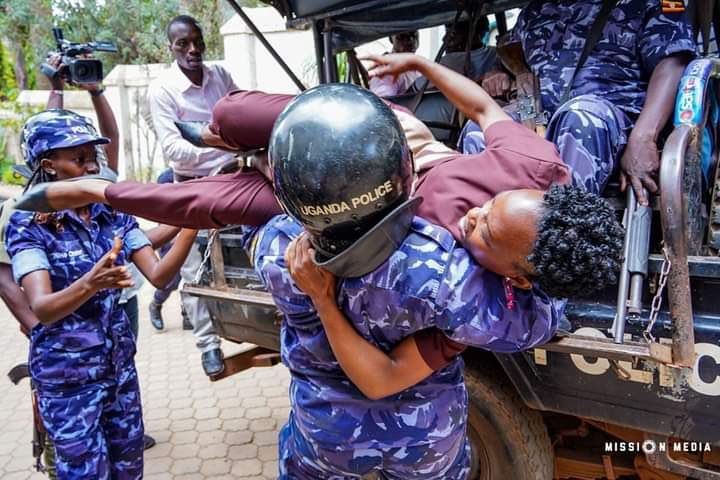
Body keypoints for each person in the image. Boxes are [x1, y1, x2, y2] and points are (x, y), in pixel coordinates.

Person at [17, 59, 623, 478]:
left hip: (374, 202)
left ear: (515, 276)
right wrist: (416, 64)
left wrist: (107, 195)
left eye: (487, 233)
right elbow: (483, 105)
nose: (474, 220)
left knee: (226, 198)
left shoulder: (459, 286)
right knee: (239, 118)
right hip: (400, 152)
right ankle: (218, 138)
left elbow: (506, 323)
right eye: (489, 208)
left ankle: (103, 191)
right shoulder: (531, 167)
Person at [5, 108, 197, 479]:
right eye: (79, 159)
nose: (92, 167)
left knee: (129, 470)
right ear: (49, 166)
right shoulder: (27, 225)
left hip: (118, 372)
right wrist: (90, 284)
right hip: (68, 382)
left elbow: (157, 274)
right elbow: (43, 308)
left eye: (93, 157)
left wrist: (191, 225)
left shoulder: (112, 211)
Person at [462, 0, 696, 202]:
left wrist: (644, 137)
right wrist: (498, 72)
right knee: (482, 127)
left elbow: (673, 63)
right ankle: (486, 234)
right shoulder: (535, 10)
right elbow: (510, 52)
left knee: (577, 116)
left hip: (610, 115)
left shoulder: (651, 2)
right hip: (536, 115)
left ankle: (562, 239)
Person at [148, 14, 238, 375]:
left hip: (234, 176)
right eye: (183, 43)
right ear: (170, 47)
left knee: (244, 250)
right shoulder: (162, 89)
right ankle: (208, 345)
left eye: (197, 41)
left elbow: (239, 115)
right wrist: (223, 147)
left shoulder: (222, 76)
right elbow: (175, 149)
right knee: (193, 266)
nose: (193, 49)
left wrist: (231, 147)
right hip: (191, 186)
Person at [147, 168, 190, 331]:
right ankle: (156, 304)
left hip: (192, 231)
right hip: (168, 232)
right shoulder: (167, 176)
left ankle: (187, 314)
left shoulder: (195, 172)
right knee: (172, 279)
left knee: (194, 276)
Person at [369, 31, 421, 97]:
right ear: (391, 39)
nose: (410, 39)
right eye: (402, 36)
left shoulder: (418, 67)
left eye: (414, 34)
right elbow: (383, 102)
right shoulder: (388, 68)